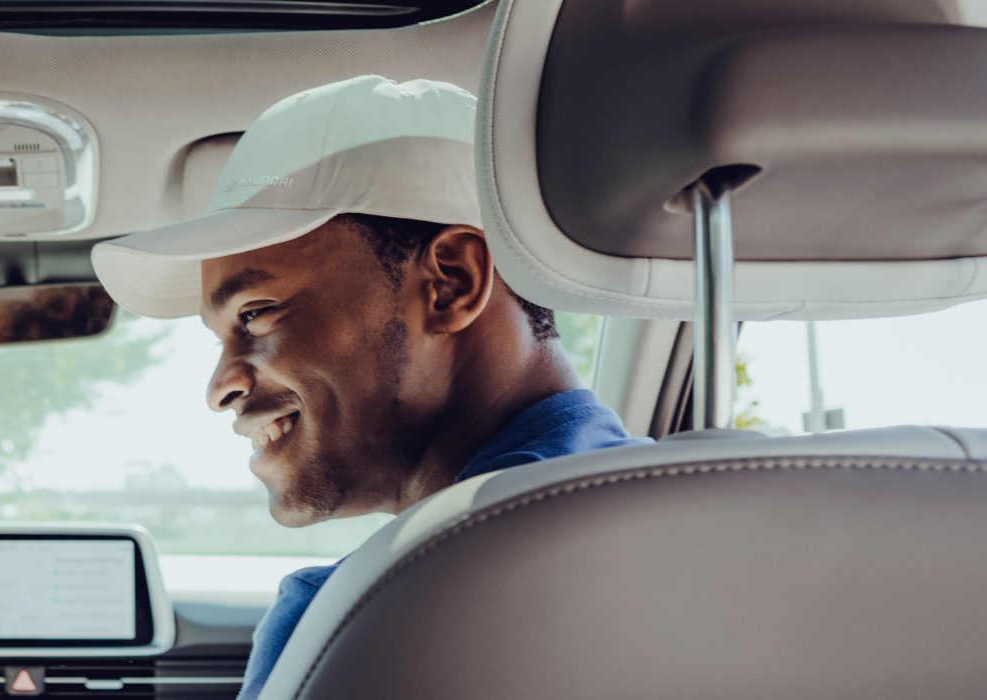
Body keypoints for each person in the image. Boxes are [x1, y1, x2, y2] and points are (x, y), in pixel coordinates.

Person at [89, 75, 651, 699]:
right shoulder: (705, 523)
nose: (220, 386)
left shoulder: (364, 622)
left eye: (255, 313)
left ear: (451, 283)